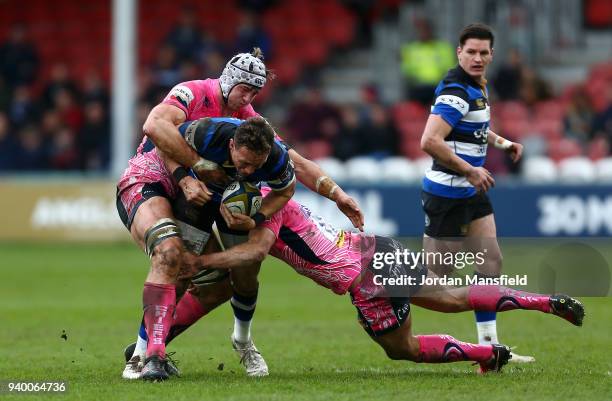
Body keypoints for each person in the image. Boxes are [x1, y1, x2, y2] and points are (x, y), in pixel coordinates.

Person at [124, 188, 584, 376]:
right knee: (451, 296)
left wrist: (201, 258)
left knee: (400, 348)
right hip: (373, 246)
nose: (229, 214)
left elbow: (253, 254)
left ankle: (488, 354)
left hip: (366, 277)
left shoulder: (260, 219)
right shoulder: (274, 192)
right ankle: (543, 302)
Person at [120, 48, 364, 380]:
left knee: (218, 286)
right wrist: (191, 172)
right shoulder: (194, 92)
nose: (248, 97)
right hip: (151, 180)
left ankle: (151, 345)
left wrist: (337, 194)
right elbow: (154, 126)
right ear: (229, 80)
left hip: (196, 196)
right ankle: (143, 357)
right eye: (244, 88)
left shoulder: (247, 123)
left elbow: (294, 163)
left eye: (254, 92)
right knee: (169, 252)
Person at [117, 116, 295, 381]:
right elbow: (165, 144)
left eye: (254, 166)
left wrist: (256, 219)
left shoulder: (277, 159)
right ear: (232, 145)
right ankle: (142, 354)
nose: (246, 171)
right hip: (198, 199)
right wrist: (183, 179)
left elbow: (286, 190)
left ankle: (243, 340)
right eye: (242, 163)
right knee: (179, 268)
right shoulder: (207, 133)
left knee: (245, 274)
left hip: (238, 206)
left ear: (267, 153)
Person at [418, 23, 534, 362]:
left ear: (491, 55)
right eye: (471, 51)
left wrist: (502, 143)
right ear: (459, 52)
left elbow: (476, 127)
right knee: (436, 277)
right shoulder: (456, 91)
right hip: (448, 194)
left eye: (484, 52)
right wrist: (470, 169)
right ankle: (382, 296)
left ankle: (490, 348)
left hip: (472, 190)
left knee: (491, 261)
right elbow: (429, 141)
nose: (478, 57)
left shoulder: (475, 87)